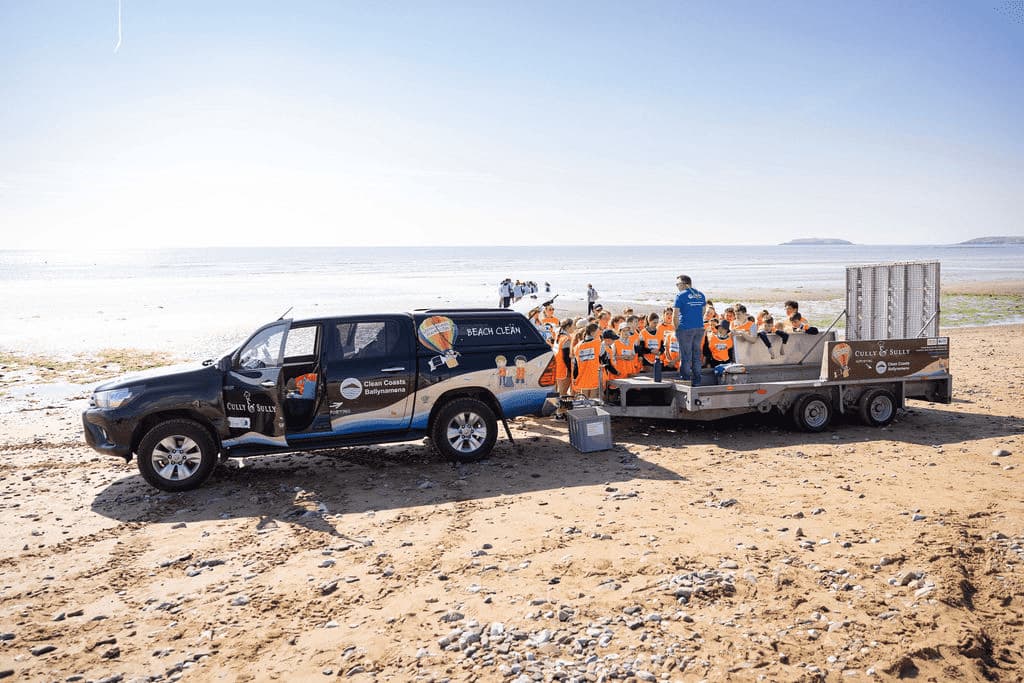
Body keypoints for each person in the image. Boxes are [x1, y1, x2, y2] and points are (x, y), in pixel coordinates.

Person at [673, 274, 707, 386]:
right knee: (696, 355)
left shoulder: (680, 296)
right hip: (699, 328)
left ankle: (685, 380)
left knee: (686, 355)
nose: (677, 286)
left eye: (678, 284)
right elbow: (703, 311)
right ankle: (697, 381)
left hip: (685, 328)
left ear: (685, 284)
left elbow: (675, 315)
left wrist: (677, 329)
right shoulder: (700, 295)